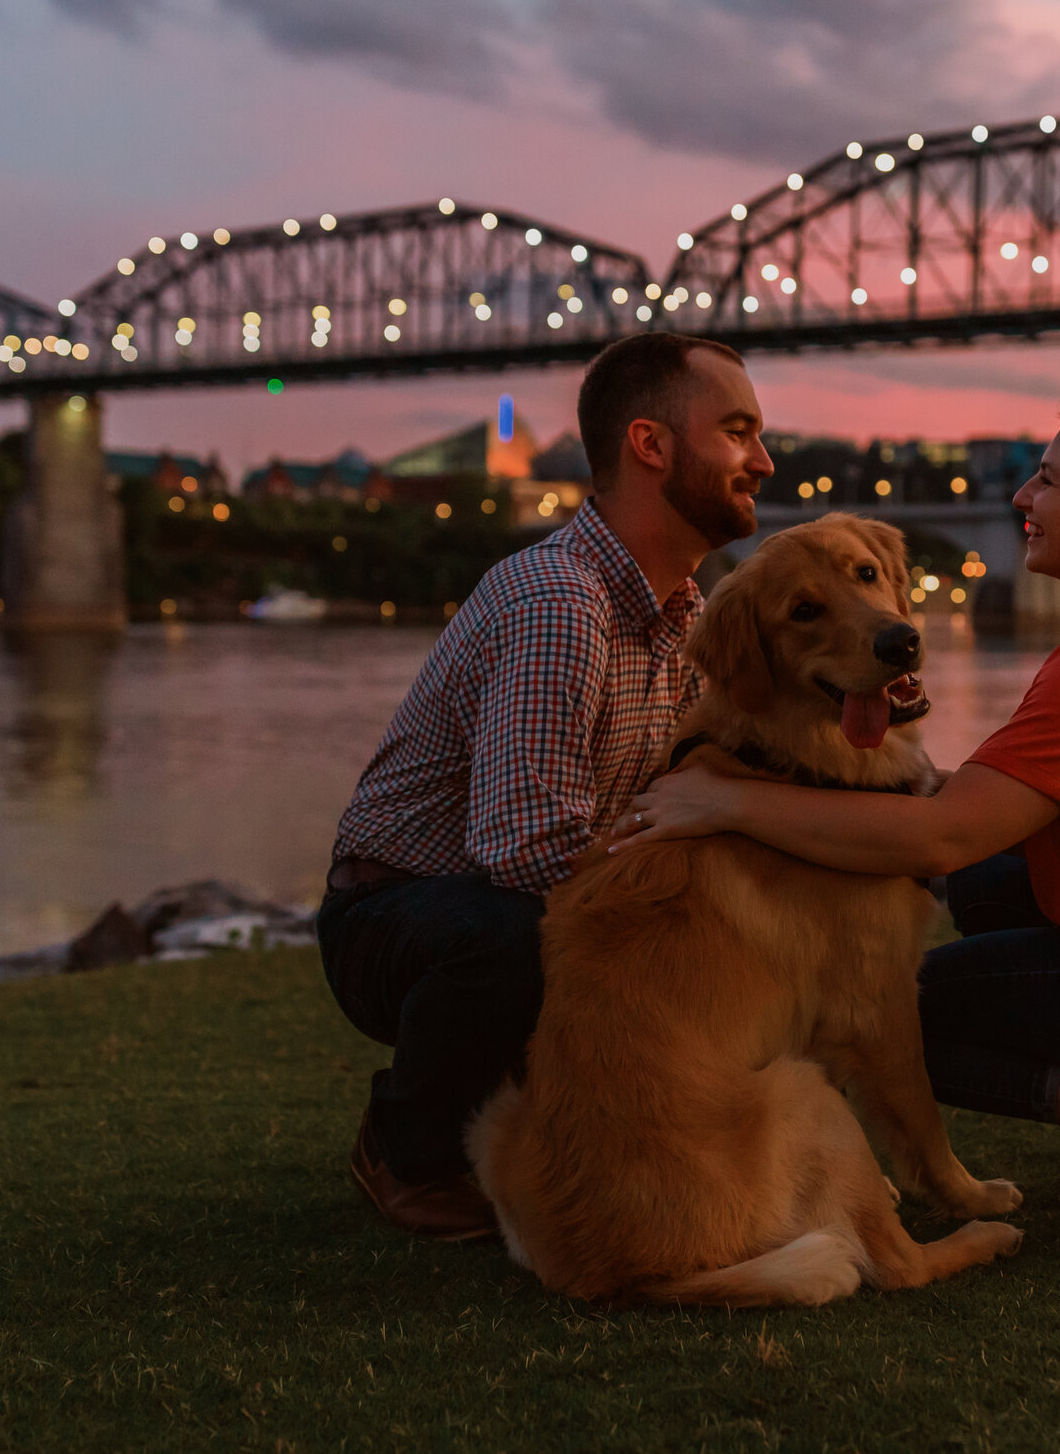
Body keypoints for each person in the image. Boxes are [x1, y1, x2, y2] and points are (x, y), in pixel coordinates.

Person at [611, 401, 1060, 1234]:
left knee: (900, 1015)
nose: (1021, 496)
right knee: (982, 888)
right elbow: (975, 815)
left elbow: (942, 833)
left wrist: (726, 799)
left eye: (1049, 478)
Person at [319, 333, 775, 1240]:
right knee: (516, 936)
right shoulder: (559, 602)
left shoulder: (683, 613)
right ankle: (407, 1147)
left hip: (513, 895)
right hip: (402, 919)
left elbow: (702, 783)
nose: (763, 459)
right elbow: (525, 852)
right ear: (651, 445)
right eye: (737, 432)